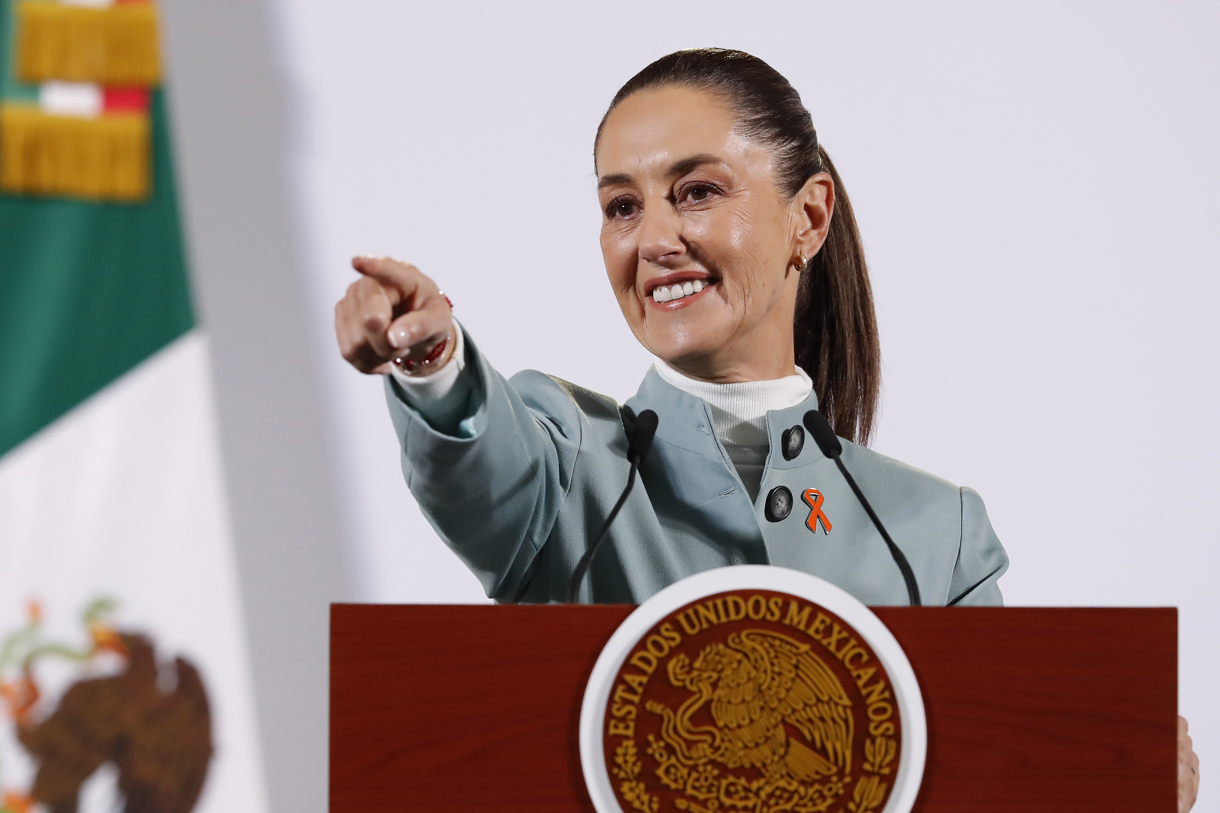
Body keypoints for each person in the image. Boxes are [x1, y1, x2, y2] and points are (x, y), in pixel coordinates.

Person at [333, 49, 1197, 807]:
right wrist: (433, 361)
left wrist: (1117, 784)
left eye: (697, 191)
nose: (655, 237)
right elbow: (481, 461)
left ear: (808, 217)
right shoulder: (565, 460)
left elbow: (992, 775)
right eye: (622, 207)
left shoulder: (940, 536)